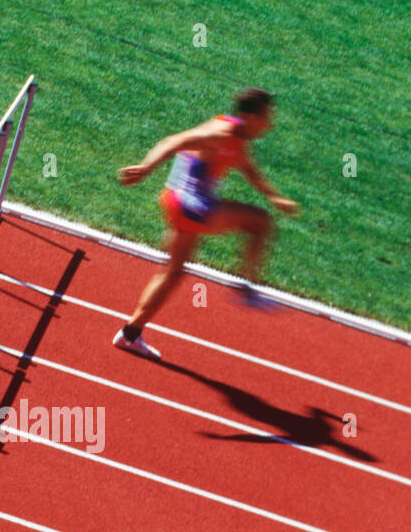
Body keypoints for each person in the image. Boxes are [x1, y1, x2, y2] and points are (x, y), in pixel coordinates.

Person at [115, 87, 300, 360]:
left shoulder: (238, 136)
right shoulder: (220, 133)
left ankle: (130, 334)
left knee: (173, 273)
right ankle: (246, 289)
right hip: (193, 207)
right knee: (260, 223)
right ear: (248, 117)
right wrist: (146, 167)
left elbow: (248, 169)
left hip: (179, 203)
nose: (270, 124)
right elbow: (173, 141)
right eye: (266, 117)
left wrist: (275, 197)